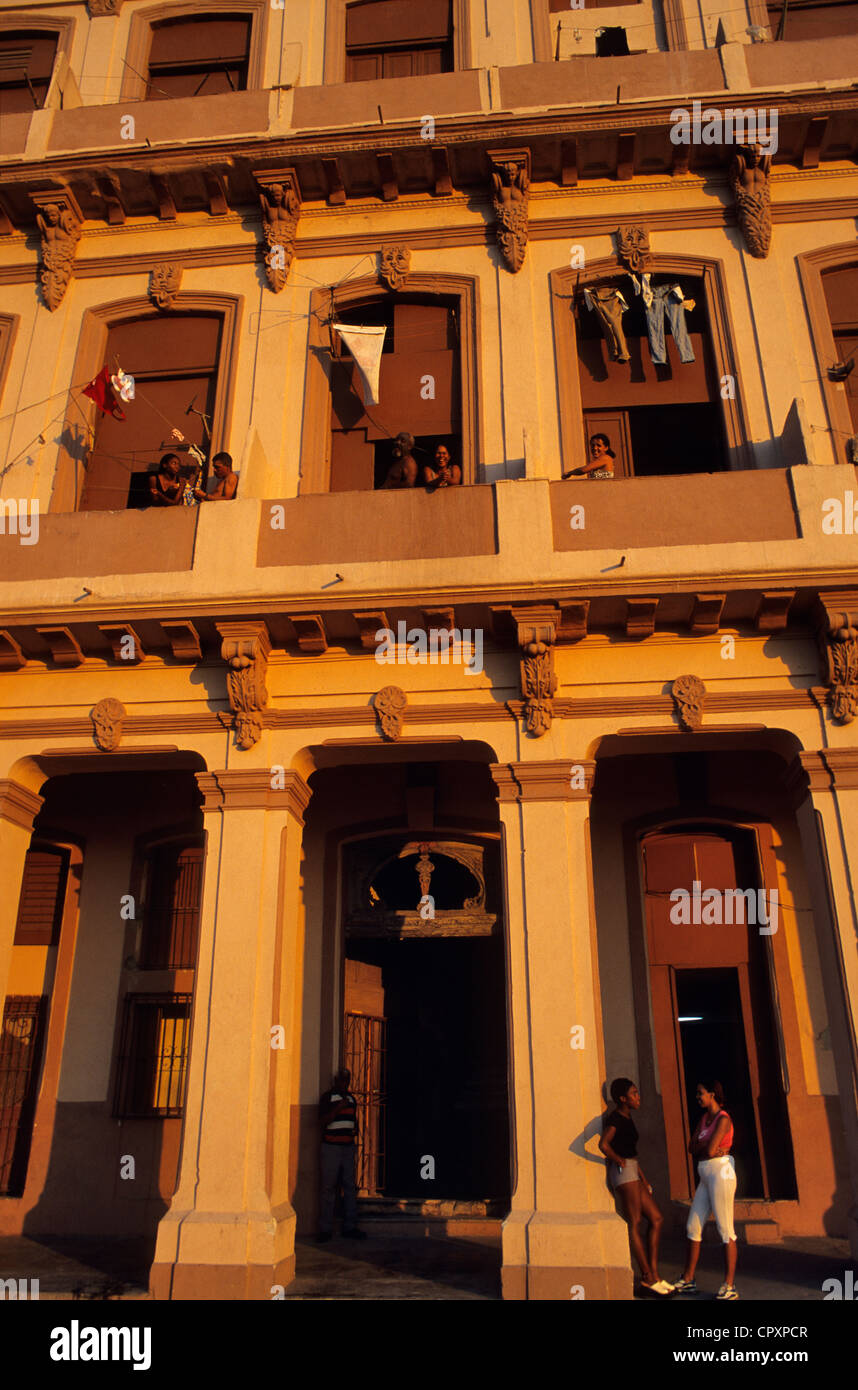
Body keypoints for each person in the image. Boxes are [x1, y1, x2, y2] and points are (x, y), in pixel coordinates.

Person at [599, 1077, 673, 1296]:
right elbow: (603, 1144)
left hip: (633, 1171)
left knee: (657, 1219)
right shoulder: (616, 1119)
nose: (638, 1097)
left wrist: (644, 1178)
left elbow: (632, 1153)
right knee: (635, 1222)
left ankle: (654, 1275)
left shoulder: (627, 1116)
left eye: (637, 1093)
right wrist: (617, 1160)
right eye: (634, 1094)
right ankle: (648, 1278)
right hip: (623, 1173)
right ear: (622, 1098)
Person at [672, 1080, 738, 1300]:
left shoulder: (723, 1119)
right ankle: (688, 1279)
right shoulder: (704, 1119)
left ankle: (729, 1285)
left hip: (721, 1174)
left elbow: (708, 1149)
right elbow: (693, 1148)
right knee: (693, 1226)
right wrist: (706, 1146)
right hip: (706, 1176)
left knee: (725, 1229)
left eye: (700, 1093)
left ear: (712, 1094)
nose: (698, 1097)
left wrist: (706, 1146)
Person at [317, 1067, 366, 1242]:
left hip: (347, 1149)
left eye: (347, 1080)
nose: (344, 1083)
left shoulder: (352, 1099)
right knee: (328, 1187)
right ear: (335, 1081)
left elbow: (353, 1123)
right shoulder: (328, 1098)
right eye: (342, 1080)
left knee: (350, 1188)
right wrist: (338, 1108)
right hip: (331, 1148)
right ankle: (325, 1230)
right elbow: (322, 1121)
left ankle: (350, 1227)